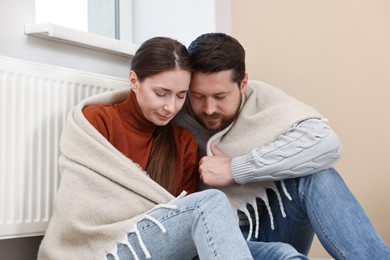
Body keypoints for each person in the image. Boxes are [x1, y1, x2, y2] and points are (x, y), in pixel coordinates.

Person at [174, 32, 390, 260]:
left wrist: (235, 170)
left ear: (243, 83)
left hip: (271, 224)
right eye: (198, 96)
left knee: (318, 175)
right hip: (214, 239)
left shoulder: (262, 99)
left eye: (220, 96)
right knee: (283, 255)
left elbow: (326, 143)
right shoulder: (173, 109)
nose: (209, 109)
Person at [37, 37, 254, 260]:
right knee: (210, 202)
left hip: (159, 247)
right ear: (134, 81)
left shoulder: (183, 142)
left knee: (278, 252)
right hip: (103, 248)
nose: (171, 107)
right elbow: (81, 208)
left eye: (181, 96)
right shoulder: (98, 121)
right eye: (161, 93)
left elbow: (178, 224)